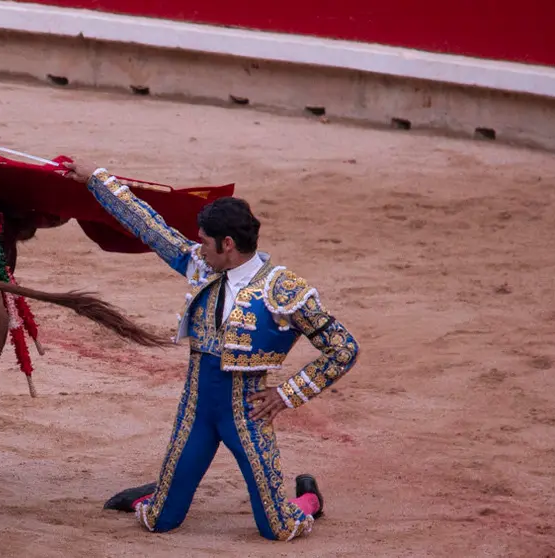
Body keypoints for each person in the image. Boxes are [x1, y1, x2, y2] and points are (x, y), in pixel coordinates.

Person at [61, 160, 360, 541]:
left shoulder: (283, 290)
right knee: (160, 521)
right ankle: (154, 497)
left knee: (280, 528)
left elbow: (343, 348)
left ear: (228, 244)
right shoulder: (203, 265)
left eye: (204, 240)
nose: (197, 247)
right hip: (197, 409)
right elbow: (150, 228)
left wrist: (287, 394)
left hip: (247, 414)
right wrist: (98, 180)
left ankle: (309, 499)